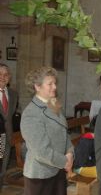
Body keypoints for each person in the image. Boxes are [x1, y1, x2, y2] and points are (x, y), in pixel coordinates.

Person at [20, 67, 74, 195]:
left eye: (55, 83)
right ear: (37, 87)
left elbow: (63, 132)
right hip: (40, 175)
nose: (54, 87)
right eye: (50, 84)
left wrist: (70, 152)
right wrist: (65, 161)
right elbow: (41, 151)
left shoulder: (52, 104)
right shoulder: (31, 113)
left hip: (58, 170)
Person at [0, 63, 18, 190]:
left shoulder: (13, 94)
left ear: (9, 77)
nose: (2, 77)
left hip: (8, 132)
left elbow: (10, 116)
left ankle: (1, 180)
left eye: (5, 75)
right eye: (0, 74)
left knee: (4, 157)